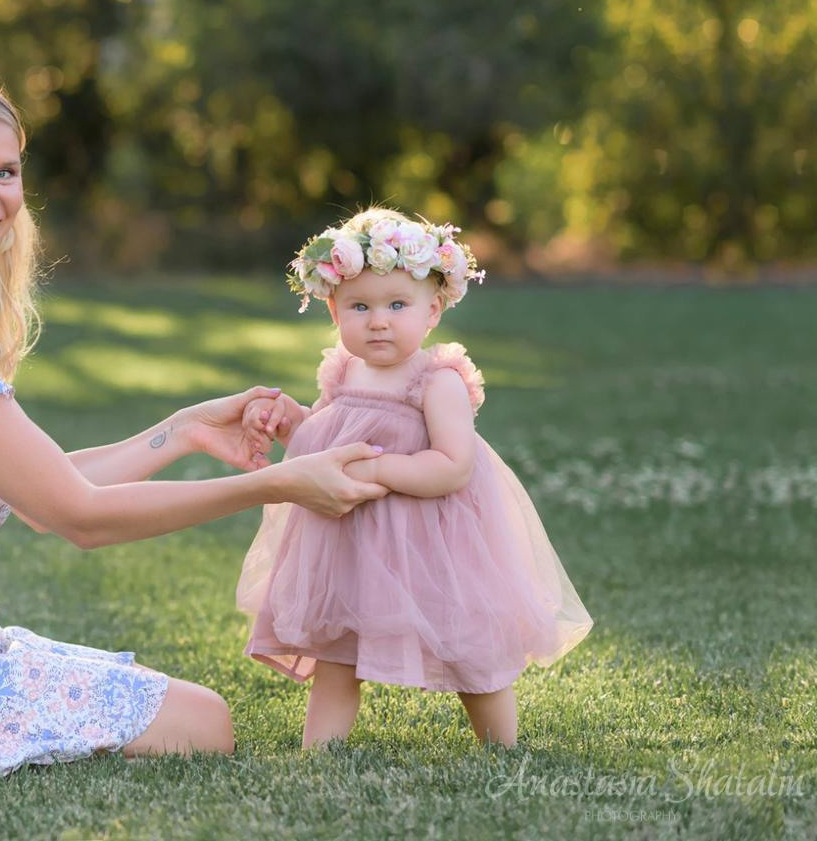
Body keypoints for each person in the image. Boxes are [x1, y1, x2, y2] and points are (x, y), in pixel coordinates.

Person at [0, 58, 388, 779]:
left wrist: (182, 430)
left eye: (5, 172)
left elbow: (41, 492)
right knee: (204, 721)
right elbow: (77, 515)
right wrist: (282, 483)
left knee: (170, 702)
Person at [235, 208, 593, 748]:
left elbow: (453, 465)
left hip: (433, 546)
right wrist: (292, 423)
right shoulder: (342, 372)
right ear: (334, 310)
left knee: (469, 645)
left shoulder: (435, 382)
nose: (378, 320)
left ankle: (502, 748)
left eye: (397, 305)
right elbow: (326, 445)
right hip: (350, 551)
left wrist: (378, 468)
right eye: (360, 307)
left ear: (433, 311)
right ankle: (320, 752)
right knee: (336, 651)